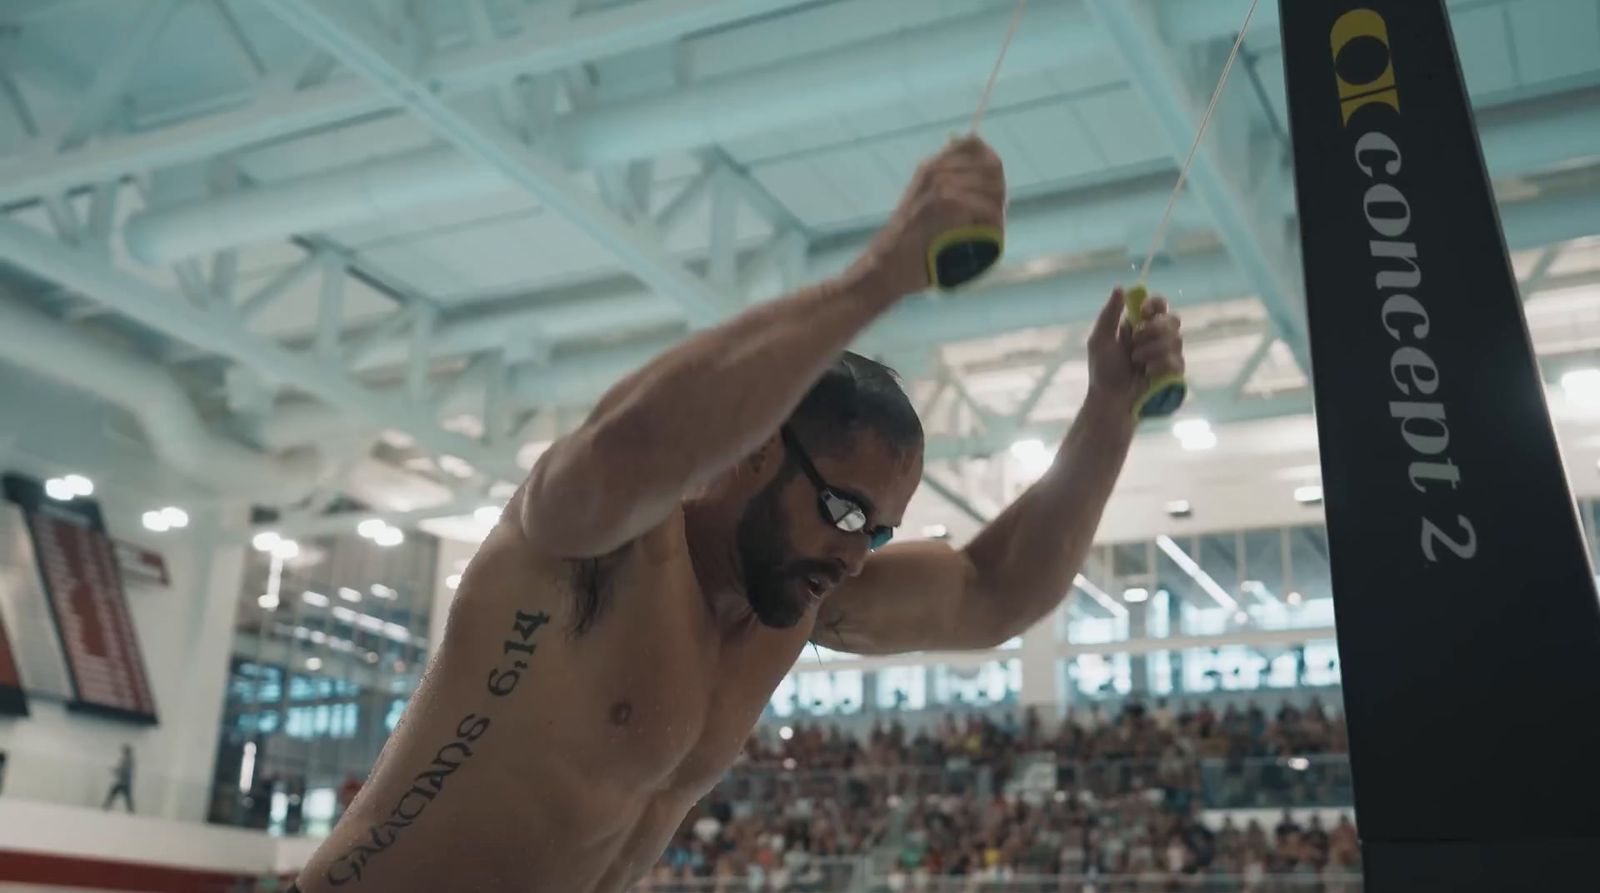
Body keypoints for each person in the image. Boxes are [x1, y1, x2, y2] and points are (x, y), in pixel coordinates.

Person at [290, 135, 1185, 893]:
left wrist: (1110, 413)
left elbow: (994, 592)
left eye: (875, 529)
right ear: (753, 451)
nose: (855, 553)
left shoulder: (787, 603)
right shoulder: (593, 541)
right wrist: (881, 276)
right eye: (842, 508)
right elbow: (636, 437)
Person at [102, 743, 134, 813]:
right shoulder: (127, 759)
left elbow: (124, 770)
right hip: (124, 782)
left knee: (114, 793)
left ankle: (106, 807)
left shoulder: (127, 760)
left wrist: (115, 771)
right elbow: (123, 770)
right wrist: (116, 770)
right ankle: (131, 810)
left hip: (123, 782)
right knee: (126, 797)